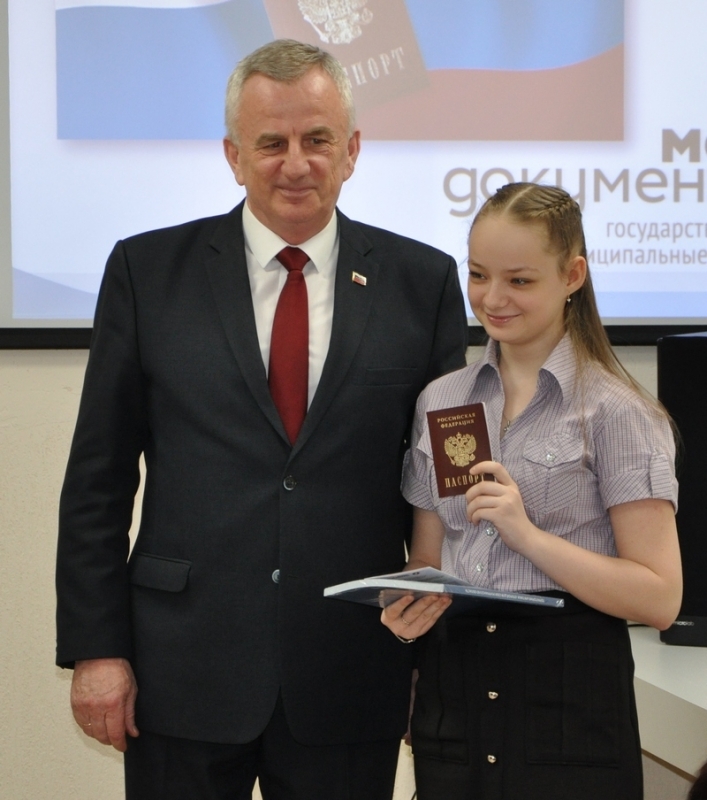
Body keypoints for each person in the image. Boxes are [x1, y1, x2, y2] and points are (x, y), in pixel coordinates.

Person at [55, 39, 468, 800]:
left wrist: (433, 653)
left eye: (317, 140)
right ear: (233, 156)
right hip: (181, 669)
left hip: (352, 668)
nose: (295, 164)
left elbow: (448, 484)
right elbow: (98, 479)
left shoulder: (424, 282)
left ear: (351, 150)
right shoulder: (147, 273)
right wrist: (96, 650)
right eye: (271, 143)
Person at [381, 182, 682, 800]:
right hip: (455, 692)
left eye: (519, 280)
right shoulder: (442, 400)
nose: (493, 298)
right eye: (478, 275)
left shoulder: (617, 410)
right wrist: (404, 605)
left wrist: (527, 536)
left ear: (572, 275)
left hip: (568, 698)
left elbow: (660, 598)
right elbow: (427, 559)